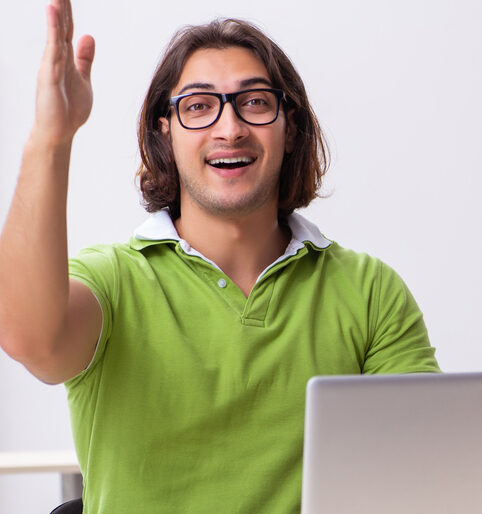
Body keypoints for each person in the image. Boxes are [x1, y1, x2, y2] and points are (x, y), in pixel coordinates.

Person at [0, 1, 439, 512]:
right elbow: (29, 338)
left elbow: (423, 469)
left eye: (254, 103)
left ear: (289, 127)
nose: (229, 128)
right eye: (199, 105)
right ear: (165, 129)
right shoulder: (115, 281)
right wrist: (51, 139)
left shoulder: (368, 291)